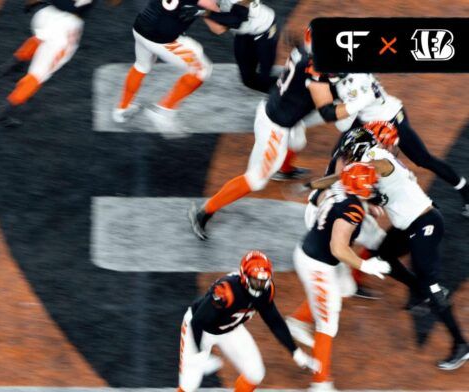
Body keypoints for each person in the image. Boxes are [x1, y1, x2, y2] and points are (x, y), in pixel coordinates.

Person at [188, 27, 373, 240]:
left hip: (283, 109)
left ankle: (284, 170)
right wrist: (359, 100)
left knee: (298, 141)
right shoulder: (313, 72)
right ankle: (204, 211)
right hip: (275, 126)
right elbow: (328, 111)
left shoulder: (305, 53)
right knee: (256, 180)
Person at [314, 126, 469, 370]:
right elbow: (351, 177)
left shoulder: (379, 162)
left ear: (360, 152)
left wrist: (329, 182)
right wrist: (316, 183)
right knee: (383, 254)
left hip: (424, 224)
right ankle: (419, 289)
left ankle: (461, 344)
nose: (346, 159)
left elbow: (364, 174)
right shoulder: (369, 160)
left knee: (432, 284)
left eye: (349, 155)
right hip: (409, 224)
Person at [288, 162, 391, 390]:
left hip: (315, 252)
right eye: (370, 184)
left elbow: (321, 193)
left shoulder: (340, 187)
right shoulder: (351, 209)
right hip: (318, 264)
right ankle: (320, 383)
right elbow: (338, 248)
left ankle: (297, 320)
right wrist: (365, 266)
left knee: (346, 288)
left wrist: (363, 203)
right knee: (327, 323)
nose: (374, 186)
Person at [178, 250, 320, 392]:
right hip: (201, 330)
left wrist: (296, 352)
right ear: (244, 277)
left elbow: (274, 321)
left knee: (255, 373)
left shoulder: (266, 290)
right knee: (189, 385)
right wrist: (198, 353)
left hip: (230, 329)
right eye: (255, 280)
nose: (259, 285)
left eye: (263, 281)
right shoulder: (227, 292)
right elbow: (198, 322)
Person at [333, 73, 469, 217]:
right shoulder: (352, 76)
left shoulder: (350, 85)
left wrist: (335, 106)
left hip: (389, 122)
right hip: (380, 118)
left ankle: (464, 191)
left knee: (421, 159)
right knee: (346, 153)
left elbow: (343, 124)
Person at [0, 0, 118, 126]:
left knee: (41, 36)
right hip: (65, 25)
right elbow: (72, 7)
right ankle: (5, 111)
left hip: (45, 14)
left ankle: (12, 65)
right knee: (39, 75)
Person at [111, 0, 219, 134]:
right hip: (163, 39)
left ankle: (122, 109)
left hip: (141, 26)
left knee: (141, 66)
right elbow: (218, 29)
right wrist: (208, 11)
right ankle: (163, 110)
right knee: (203, 70)